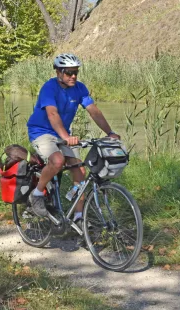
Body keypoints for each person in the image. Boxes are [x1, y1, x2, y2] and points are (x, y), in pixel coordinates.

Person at [26, 53, 120, 219]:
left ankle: (78, 217)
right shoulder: (49, 88)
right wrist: (66, 137)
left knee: (80, 171)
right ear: (59, 73)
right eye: (69, 72)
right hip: (41, 131)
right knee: (57, 161)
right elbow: (52, 114)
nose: (73, 76)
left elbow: (94, 111)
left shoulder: (80, 88)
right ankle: (37, 193)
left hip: (63, 134)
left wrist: (110, 133)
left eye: (76, 72)